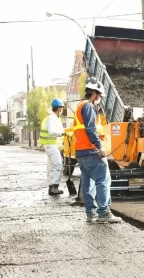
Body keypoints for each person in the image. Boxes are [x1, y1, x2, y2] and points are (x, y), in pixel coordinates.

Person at [74, 77, 122, 224]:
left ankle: (91, 214)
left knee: (88, 183)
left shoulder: (80, 106)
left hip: (81, 151)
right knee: (103, 181)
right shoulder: (88, 106)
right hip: (91, 150)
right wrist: (100, 147)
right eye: (100, 96)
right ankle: (104, 213)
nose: (99, 99)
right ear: (95, 93)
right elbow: (91, 129)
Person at [39, 98, 66, 196]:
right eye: (62, 108)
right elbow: (52, 132)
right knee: (58, 164)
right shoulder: (52, 118)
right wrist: (63, 133)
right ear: (59, 108)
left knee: (50, 166)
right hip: (50, 145)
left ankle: (51, 187)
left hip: (51, 145)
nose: (62, 110)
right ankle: (55, 186)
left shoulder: (54, 118)